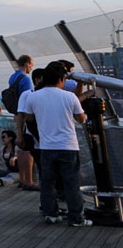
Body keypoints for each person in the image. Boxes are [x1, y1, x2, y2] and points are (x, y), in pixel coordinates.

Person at [23, 63, 90, 226]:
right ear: (61, 79)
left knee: (47, 183)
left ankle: (51, 214)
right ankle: (76, 218)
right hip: (68, 146)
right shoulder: (70, 97)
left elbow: (29, 118)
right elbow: (81, 119)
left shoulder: (33, 97)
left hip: (46, 147)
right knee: (71, 184)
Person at [15, 67, 45, 191]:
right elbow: (21, 115)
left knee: (45, 167)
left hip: (44, 139)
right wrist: (20, 134)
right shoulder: (27, 94)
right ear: (37, 79)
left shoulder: (36, 94)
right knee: (43, 166)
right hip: (36, 139)